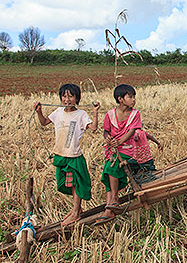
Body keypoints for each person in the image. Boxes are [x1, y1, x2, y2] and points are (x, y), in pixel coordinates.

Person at [34, 83, 100, 226]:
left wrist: (95, 112)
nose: (67, 99)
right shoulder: (58, 112)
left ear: (77, 98)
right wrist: (39, 112)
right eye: (64, 96)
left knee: (76, 183)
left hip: (73, 156)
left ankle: (76, 212)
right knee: (68, 183)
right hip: (60, 155)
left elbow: (93, 128)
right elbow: (44, 122)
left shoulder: (81, 114)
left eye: (71, 96)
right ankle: (77, 208)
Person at [96, 84, 142, 224]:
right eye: (130, 97)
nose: (133, 100)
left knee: (112, 167)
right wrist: (108, 138)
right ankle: (110, 208)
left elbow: (132, 131)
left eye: (134, 97)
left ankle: (113, 200)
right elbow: (106, 131)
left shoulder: (135, 114)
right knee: (109, 169)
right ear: (120, 99)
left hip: (128, 149)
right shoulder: (110, 114)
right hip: (113, 149)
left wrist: (119, 142)